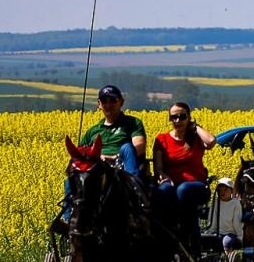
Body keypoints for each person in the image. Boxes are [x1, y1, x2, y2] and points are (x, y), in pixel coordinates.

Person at [151, 101, 216, 249]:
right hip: (172, 183)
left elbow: (211, 142)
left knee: (184, 190)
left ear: (189, 117)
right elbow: (158, 169)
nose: (178, 121)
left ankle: (192, 240)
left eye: (182, 116)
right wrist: (162, 177)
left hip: (196, 186)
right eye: (174, 117)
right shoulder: (162, 139)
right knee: (163, 191)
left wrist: (196, 127)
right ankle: (166, 237)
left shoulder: (196, 138)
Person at [79, 84, 146, 174]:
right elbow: (79, 153)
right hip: (97, 170)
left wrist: (116, 157)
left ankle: (133, 185)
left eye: (112, 100)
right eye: (104, 101)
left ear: (121, 102)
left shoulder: (133, 123)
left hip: (122, 167)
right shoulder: (92, 131)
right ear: (99, 104)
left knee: (127, 147)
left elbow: (139, 147)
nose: (108, 104)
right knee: (69, 182)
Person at [204, 177, 244, 251]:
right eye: (220, 190)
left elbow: (237, 222)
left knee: (226, 242)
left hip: (230, 233)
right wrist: (210, 233)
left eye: (226, 190)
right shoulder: (215, 203)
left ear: (231, 191)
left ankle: (227, 261)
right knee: (209, 242)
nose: (222, 192)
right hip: (217, 232)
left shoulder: (235, 203)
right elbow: (212, 220)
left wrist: (239, 237)